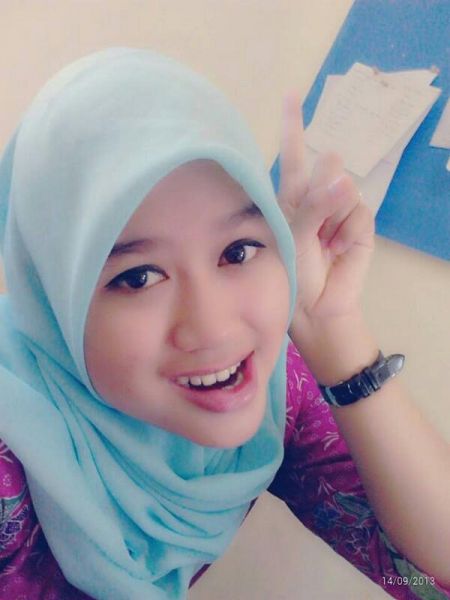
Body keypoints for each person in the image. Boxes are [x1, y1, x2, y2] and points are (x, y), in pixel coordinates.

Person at [0, 47, 448, 600]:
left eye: (238, 251)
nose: (213, 329)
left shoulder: (272, 393)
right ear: (51, 299)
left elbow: (425, 577)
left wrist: (330, 328)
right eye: (138, 277)